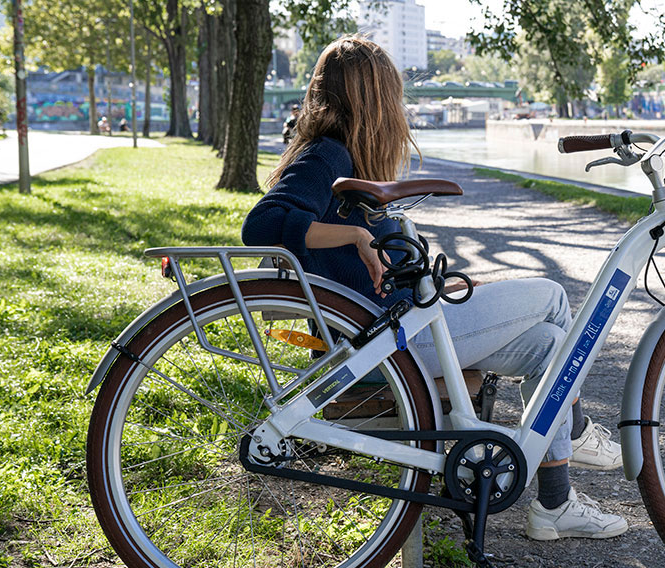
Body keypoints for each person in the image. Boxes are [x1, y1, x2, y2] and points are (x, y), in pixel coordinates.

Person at [242, 36, 628, 541]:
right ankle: (576, 433)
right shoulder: (327, 156)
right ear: (373, 100)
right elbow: (263, 223)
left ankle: (555, 504)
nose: (399, 109)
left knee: (551, 348)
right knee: (554, 296)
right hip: (389, 344)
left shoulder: (343, 157)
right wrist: (357, 235)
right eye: (393, 96)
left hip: (400, 329)